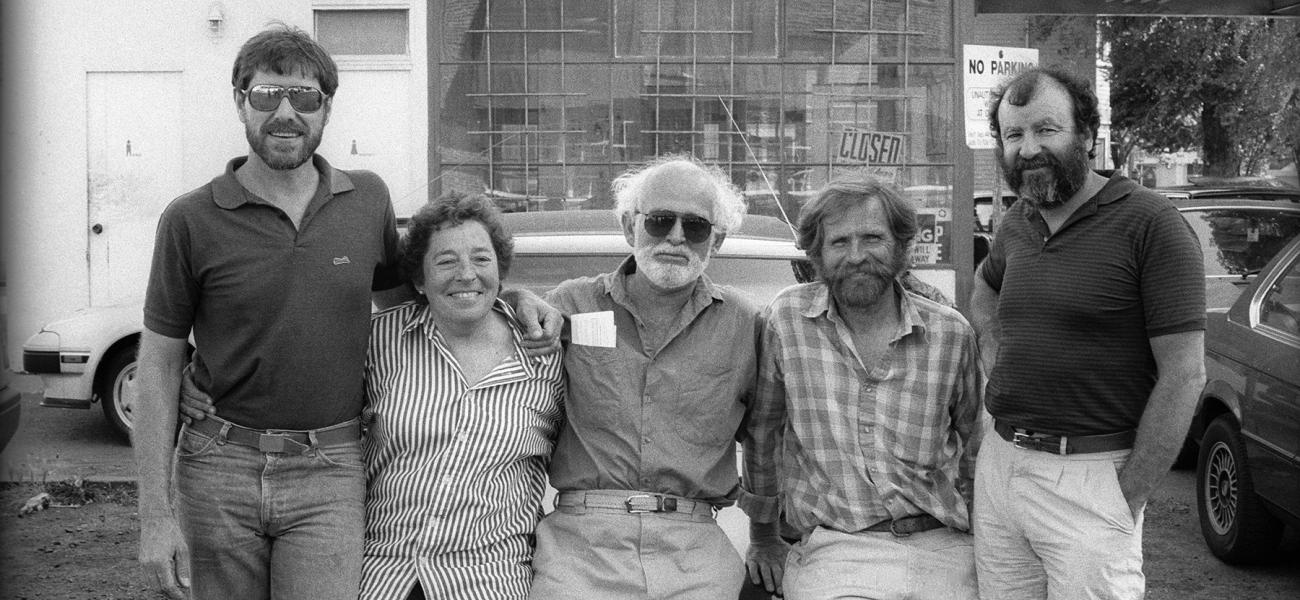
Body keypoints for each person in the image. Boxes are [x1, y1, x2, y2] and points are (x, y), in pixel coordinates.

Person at [136, 25, 558, 600]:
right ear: (240, 101)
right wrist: (155, 517)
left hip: (329, 470)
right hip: (217, 466)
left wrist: (503, 299)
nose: (286, 113)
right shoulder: (190, 218)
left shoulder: (367, 199)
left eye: (305, 97)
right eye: (267, 96)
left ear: (327, 108)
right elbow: (158, 364)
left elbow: (413, 297)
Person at [969, 66, 1206, 599]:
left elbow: (1185, 375)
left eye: (1045, 130)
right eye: (1013, 134)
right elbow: (984, 290)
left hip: (1092, 475)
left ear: (1089, 136)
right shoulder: (1017, 222)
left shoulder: (1152, 225)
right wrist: (991, 342)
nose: (1028, 149)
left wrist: (1128, 495)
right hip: (1002, 465)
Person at [526, 156, 784, 599]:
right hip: (580, 548)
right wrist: (513, 295)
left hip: (697, 550)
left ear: (716, 240)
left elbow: (765, 436)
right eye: (660, 221)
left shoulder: (748, 324)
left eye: (696, 226)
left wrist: (763, 536)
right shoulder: (570, 305)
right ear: (630, 228)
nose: (676, 237)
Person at [744, 178, 984, 599]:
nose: (856, 256)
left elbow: (976, 449)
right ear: (817, 254)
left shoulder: (950, 333)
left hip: (945, 548)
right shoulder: (786, 321)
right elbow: (763, 436)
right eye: (839, 242)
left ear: (901, 245)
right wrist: (764, 536)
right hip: (839, 552)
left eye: (872, 238)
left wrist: (986, 537)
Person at [360, 194, 565, 600]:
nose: (467, 274)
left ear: (500, 271)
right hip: (381, 576)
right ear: (418, 279)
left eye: (481, 259)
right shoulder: (377, 339)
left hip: (490, 580)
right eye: (446, 261)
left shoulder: (547, 354)